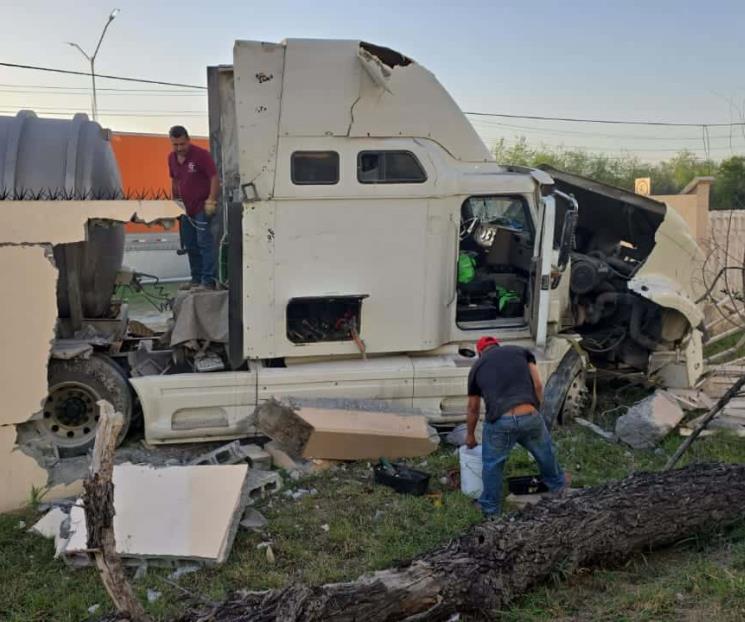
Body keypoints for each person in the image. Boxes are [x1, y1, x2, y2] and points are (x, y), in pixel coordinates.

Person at [466, 336, 565, 517]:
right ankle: (559, 489)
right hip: (529, 414)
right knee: (545, 452)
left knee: (492, 464)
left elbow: (473, 408)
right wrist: (535, 409)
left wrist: (470, 435)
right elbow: (538, 383)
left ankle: (490, 509)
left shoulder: (477, 367)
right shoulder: (520, 352)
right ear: (497, 346)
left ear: (480, 353)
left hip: (500, 421)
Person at [168, 125, 220, 290]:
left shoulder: (201, 155)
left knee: (204, 243)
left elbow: (214, 177)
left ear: (188, 140)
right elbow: (175, 180)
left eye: (182, 144)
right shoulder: (171, 158)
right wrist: (174, 201)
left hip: (201, 207)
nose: (179, 148)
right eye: (175, 145)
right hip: (185, 208)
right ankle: (196, 279)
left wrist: (211, 200)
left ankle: (208, 281)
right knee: (190, 244)